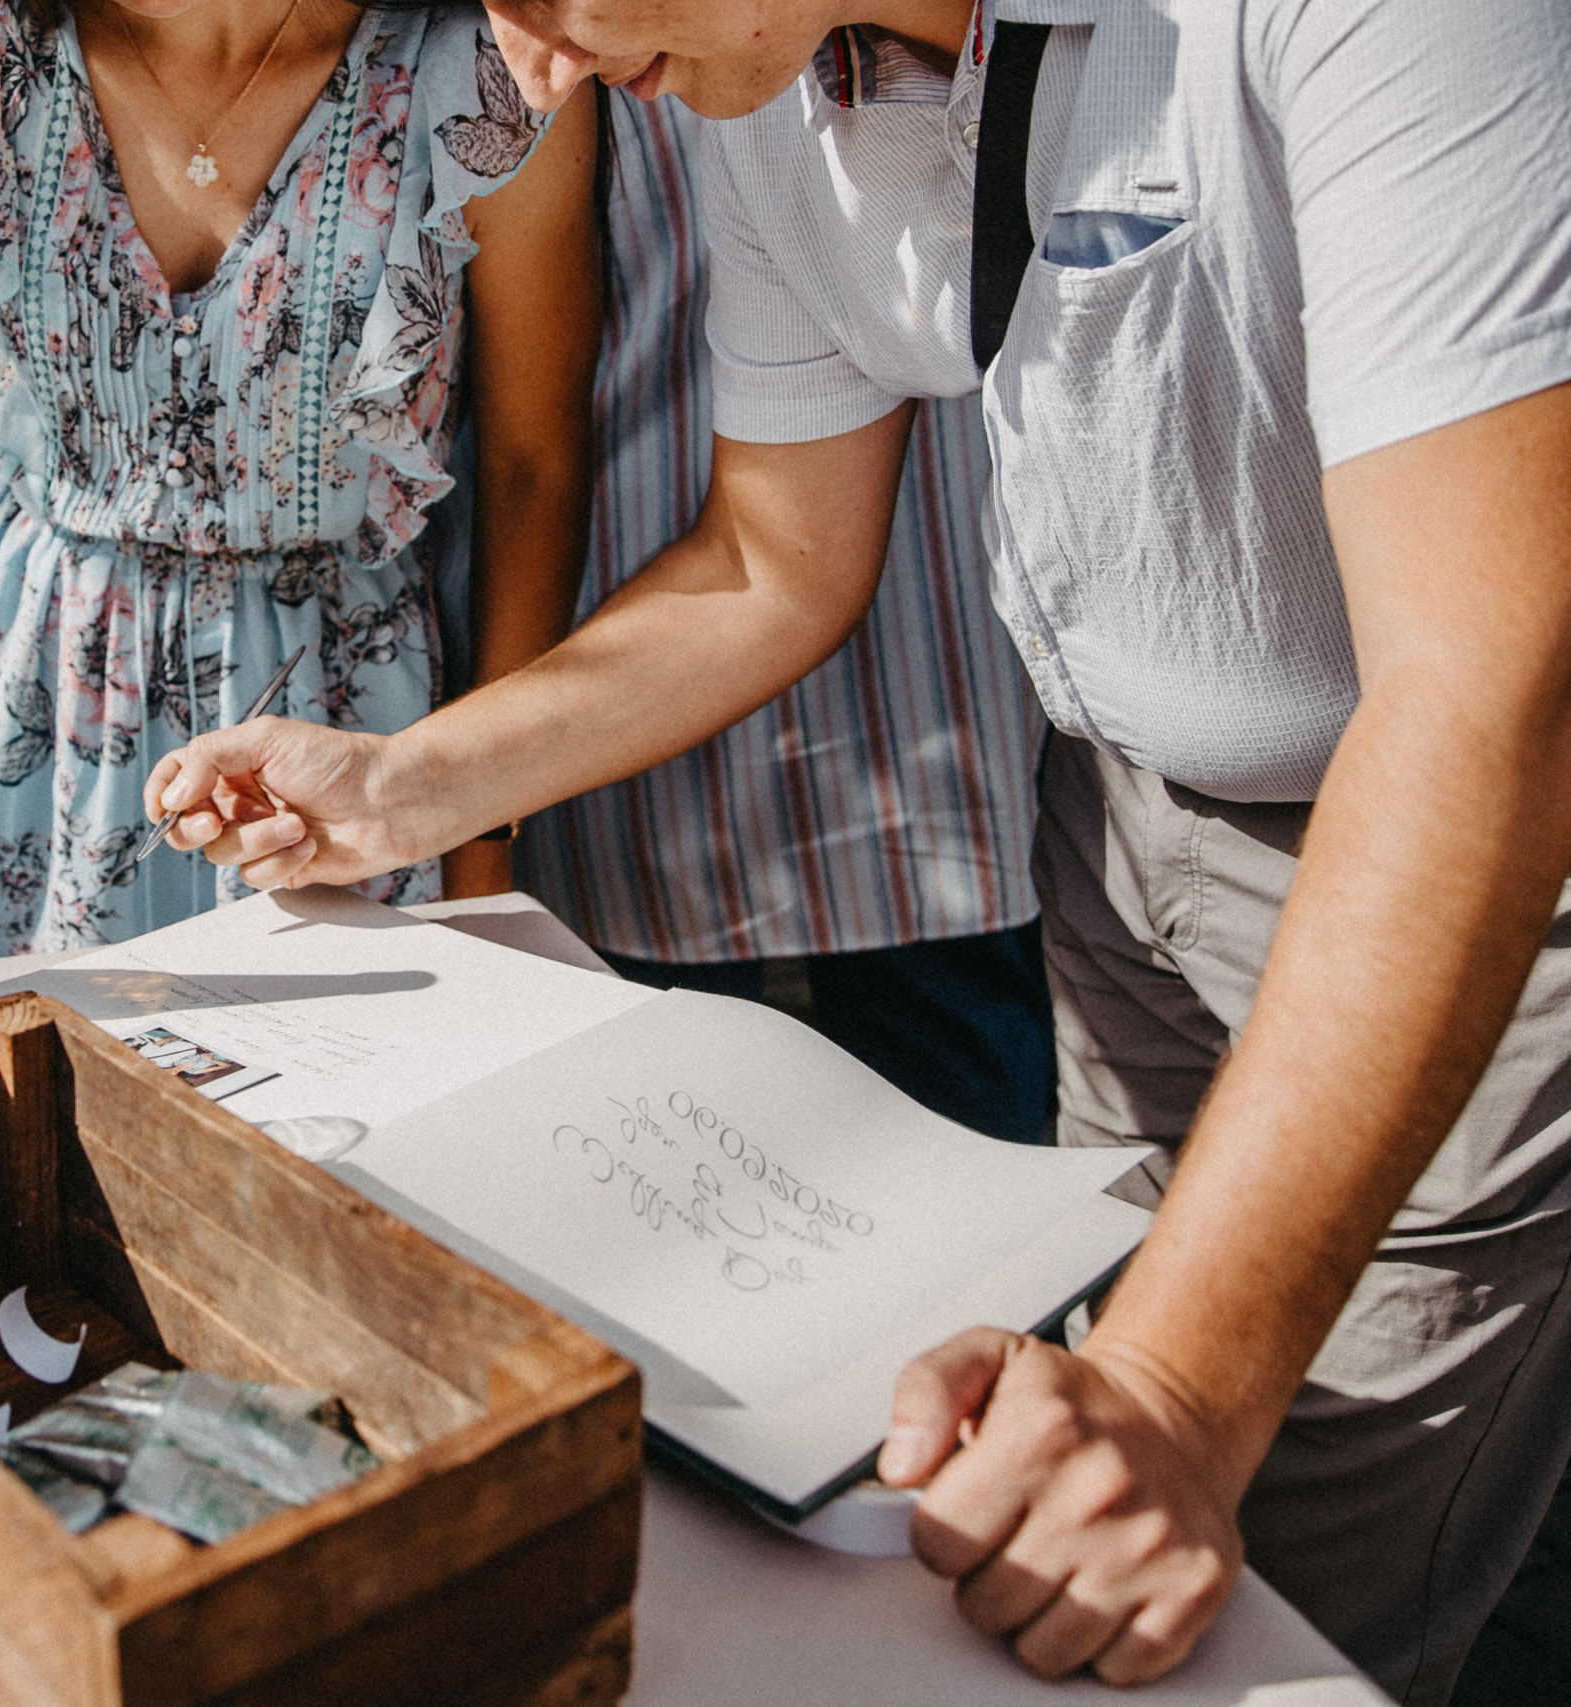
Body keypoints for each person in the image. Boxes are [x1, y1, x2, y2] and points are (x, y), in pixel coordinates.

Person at [142, 2, 1571, 1700]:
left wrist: (1180, 1398)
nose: (529, 64)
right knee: (1052, 1548)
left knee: (1253, 1607)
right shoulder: (754, 70)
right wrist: (409, 785)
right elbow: (775, 551)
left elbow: (1483, 685)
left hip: (1444, 866)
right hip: (1113, 850)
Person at [0, 0, 598, 965]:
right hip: (4, 715)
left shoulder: (492, 73)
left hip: (343, 739)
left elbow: (535, 471)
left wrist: (485, 833)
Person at [502, 84, 1053, 1143]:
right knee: (644, 1201)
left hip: (924, 669)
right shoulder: (523, 58)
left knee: (967, 1194)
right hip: (624, 682)